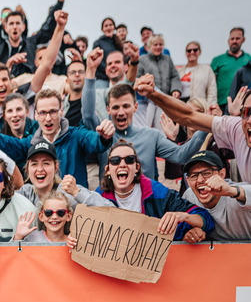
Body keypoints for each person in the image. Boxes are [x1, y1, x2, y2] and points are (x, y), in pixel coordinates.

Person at [86, 141, 215, 243]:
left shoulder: (156, 191)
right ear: (108, 169)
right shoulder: (100, 195)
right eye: (115, 161)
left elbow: (206, 220)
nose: (122, 164)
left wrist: (186, 220)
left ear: (137, 168)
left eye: (129, 159)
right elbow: (86, 232)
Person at [134, 74, 251, 183]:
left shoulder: (216, 142)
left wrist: (235, 117)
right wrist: (172, 139)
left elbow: (232, 150)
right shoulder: (183, 145)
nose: (249, 120)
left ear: (205, 113)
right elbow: (172, 173)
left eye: (199, 112)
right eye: (246, 112)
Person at [92, 83, 207, 179]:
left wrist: (206, 125)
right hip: (109, 204)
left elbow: (181, 155)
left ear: (135, 107)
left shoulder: (151, 136)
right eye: (116, 107)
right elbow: (88, 115)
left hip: (145, 203)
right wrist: (91, 71)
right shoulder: (102, 137)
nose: (121, 112)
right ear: (108, 110)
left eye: (126, 106)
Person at [181, 150, 251, 241]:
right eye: (194, 175)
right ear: (188, 180)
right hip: (215, 252)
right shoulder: (189, 196)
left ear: (221, 174)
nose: (200, 180)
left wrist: (231, 191)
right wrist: (191, 233)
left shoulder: (236, 192)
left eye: (207, 173)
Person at [211, 28, 250, 110]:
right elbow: (211, 82)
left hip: (242, 104)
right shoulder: (218, 60)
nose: (234, 41)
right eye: (232, 39)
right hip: (221, 102)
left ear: (243, 39)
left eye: (237, 38)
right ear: (228, 41)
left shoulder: (248, 59)